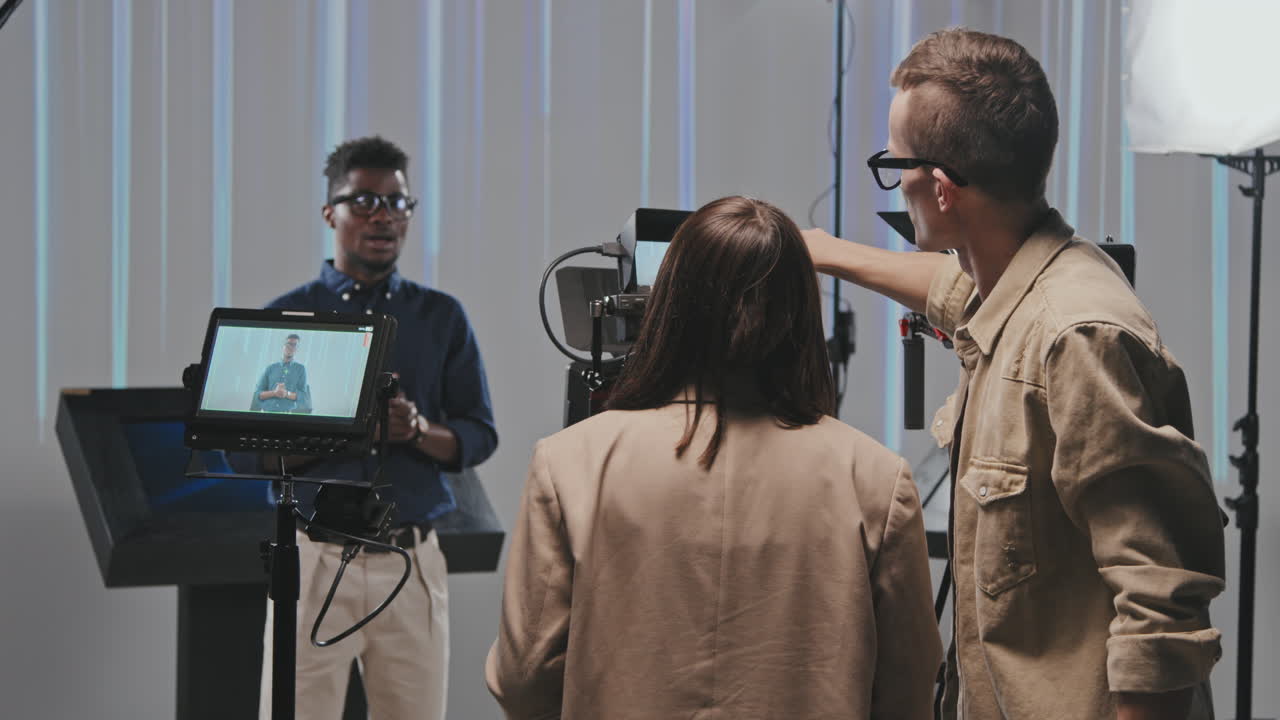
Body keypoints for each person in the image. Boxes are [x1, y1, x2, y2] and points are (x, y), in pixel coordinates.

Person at [803, 29, 1226, 720]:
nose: (894, 179)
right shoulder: (1015, 283)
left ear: (940, 191)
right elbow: (947, 288)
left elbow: (1159, 612)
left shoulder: (1075, 338)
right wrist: (821, 251)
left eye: (894, 163)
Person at [486, 195, 942, 719]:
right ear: (800, 311)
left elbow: (524, 679)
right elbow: (908, 689)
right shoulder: (877, 480)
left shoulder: (569, 464)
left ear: (667, 305)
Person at [257, 136, 498, 719]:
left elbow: (478, 435)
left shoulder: (441, 316)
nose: (383, 216)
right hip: (312, 560)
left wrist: (415, 430)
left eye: (397, 203)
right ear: (329, 212)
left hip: (409, 560)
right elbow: (254, 457)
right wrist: (340, 430)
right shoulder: (286, 317)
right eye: (364, 201)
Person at [251, 333, 308, 412]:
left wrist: (286, 394)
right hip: (266, 412)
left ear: (297, 348)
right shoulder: (270, 368)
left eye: (294, 345)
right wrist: (274, 393)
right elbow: (258, 394)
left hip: (286, 414)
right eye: (289, 344)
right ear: (283, 345)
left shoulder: (301, 369)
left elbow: (303, 396)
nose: (291, 347)